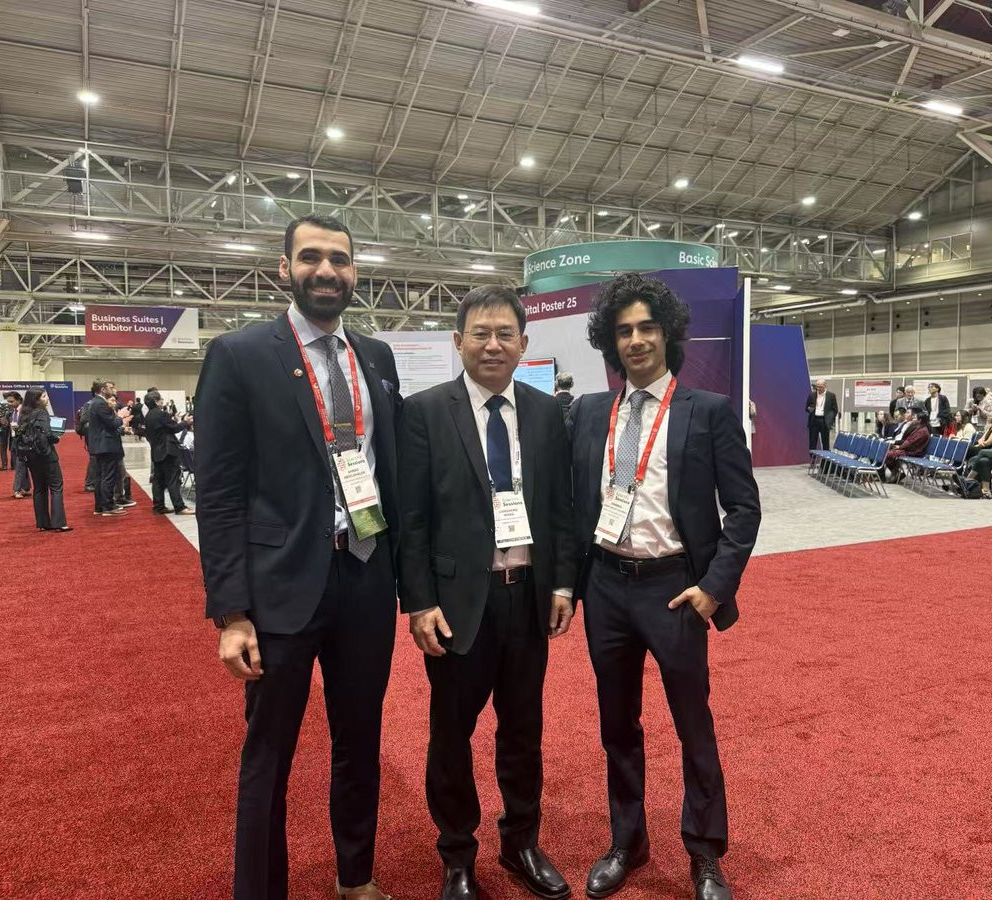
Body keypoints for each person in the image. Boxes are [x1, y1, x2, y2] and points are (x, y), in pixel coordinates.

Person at [196, 214, 402, 900]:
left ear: (354, 272)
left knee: (360, 741)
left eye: (339, 259)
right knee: (269, 753)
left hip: (365, 574)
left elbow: (390, 468)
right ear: (284, 269)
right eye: (311, 257)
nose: (326, 270)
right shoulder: (240, 354)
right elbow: (219, 492)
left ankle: (356, 878)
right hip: (280, 587)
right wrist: (231, 612)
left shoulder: (376, 357)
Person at [569, 273, 760, 900]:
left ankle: (704, 853)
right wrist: (570, 586)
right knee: (617, 725)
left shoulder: (708, 411)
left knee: (692, 724)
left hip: (675, 590)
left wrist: (713, 587)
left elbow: (744, 508)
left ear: (668, 333)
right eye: (623, 330)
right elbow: (571, 505)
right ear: (611, 341)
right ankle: (627, 842)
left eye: (647, 327)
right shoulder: (589, 413)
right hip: (606, 586)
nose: (636, 340)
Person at [397, 285, 575, 900]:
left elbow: (561, 509)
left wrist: (562, 583)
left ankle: (521, 842)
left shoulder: (547, 413)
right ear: (458, 341)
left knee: (523, 730)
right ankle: (458, 855)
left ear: (523, 344)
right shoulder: (424, 412)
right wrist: (420, 602)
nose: (493, 345)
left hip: (526, 597)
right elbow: (412, 519)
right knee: (451, 734)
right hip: (456, 606)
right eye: (481, 333)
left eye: (505, 334)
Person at [15, 388, 71, 532]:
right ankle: (59, 522)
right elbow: (47, 433)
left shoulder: (23, 414)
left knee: (39, 489)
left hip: (31, 456)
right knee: (56, 487)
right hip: (46, 455)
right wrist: (56, 438)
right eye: (44, 396)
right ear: (37, 399)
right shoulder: (41, 413)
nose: (47, 399)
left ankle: (42, 522)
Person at [144, 390, 193, 516]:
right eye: (160, 399)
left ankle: (159, 506)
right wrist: (185, 422)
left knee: (158, 480)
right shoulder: (161, 414)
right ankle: (179, 507)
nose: (162, 401)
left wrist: (175, 421)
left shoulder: (148, 416)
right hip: (167, 451)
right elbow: (175, 428)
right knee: (173, 480)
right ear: (156, 401)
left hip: (156, 451)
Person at [87, 380, 128, 517]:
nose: (114, 390)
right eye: (111, 387)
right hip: (106, 445)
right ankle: (108, 507)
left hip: (100, 445)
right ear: (103, 389)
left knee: (101, 477)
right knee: (108, 477)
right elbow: (112, 423)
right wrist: (120, 417)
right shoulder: (101, 403)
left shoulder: (96, 402)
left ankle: (100, 506)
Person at [804, 379, 838, 451]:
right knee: (812, 443)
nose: (818, 388)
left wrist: (830, 420)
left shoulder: (831, 396)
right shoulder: (812, 395)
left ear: (825, 386)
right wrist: (809, 409)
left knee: (825, 443)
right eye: (817, 387)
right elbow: (806, 407)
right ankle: (812, 457)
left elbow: (835, 410)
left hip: (824, 421)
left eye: (820, 387)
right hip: (814, 421)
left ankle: (825, 458)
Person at [0, 391, 18, 470]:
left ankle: (4, 465)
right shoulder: (13, 404)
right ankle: (14, 465)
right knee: (13, 444)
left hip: (3, 426)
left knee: (3, 446)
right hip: (13, 425)